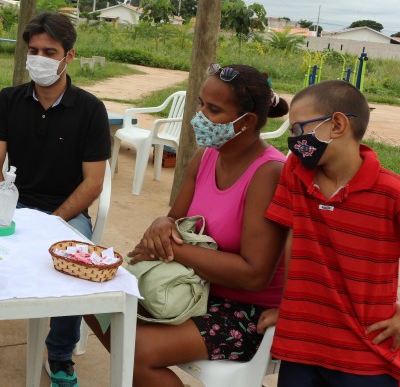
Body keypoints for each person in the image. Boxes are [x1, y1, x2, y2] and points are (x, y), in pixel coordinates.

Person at [85, 63, 290, 387]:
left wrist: (176, 250)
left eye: (213, 109)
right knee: (95, 305)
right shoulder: (207, 155)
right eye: (200, 103)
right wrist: (160, 223)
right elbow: (176, 220)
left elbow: (254, 274)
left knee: (137, 351)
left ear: (247, 122)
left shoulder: (269, 173)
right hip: (193, 288)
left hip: (248, 311)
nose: (200, 116)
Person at [0, 12, 110, 386]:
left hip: (66, 212)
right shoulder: (10, 102)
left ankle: (61, 354)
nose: (40, 58)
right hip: (11, 203)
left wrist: (52, 220)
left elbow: (93, 183)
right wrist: (3, 206)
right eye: (33, 50)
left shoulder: (90, 110)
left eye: (50, 51)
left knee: (75, 263)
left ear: (69, 56)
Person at [265, 80, 400, 385]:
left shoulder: (391, 192)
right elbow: (293, 238)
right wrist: (287, 306)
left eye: (299, 130)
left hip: (366, 352)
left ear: (337, 124)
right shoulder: (295, 173)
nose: (294, 141)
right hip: (302, 345)